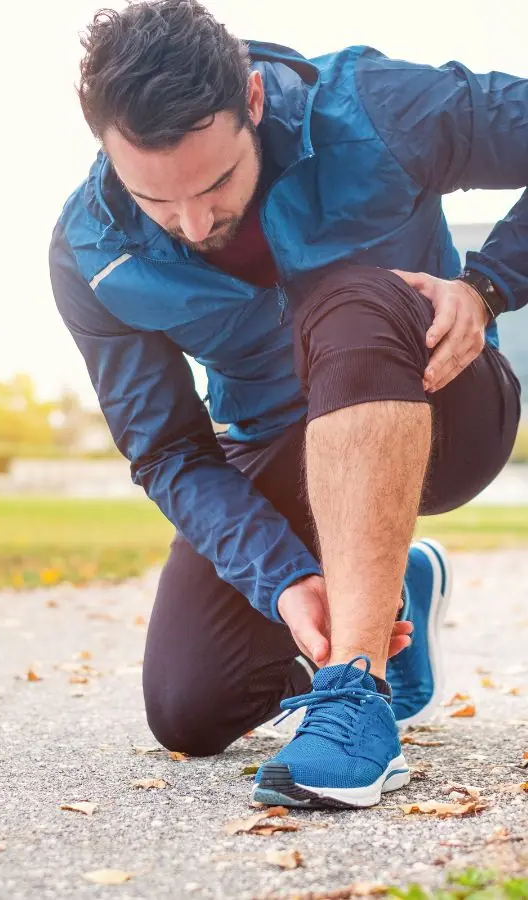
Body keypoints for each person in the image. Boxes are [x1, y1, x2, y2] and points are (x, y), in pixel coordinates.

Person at [49, 0, 524, 809]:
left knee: (347, 300)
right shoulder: (91, 255)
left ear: (255, 99)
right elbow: (169, 450)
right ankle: (382, 578)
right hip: (281, 447)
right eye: (156, 200)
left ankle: (354, 691)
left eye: (215, 182)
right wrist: (284, 580)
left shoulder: (376, 106)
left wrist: (487, 287)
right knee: (190, 708)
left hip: (441, 406)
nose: (193, 222)